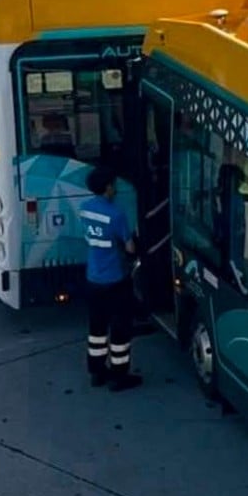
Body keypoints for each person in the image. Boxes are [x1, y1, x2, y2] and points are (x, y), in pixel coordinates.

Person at [79, 166, 144, 391]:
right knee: (120, 330)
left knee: (97, 330)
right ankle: (119, 375)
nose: (115, 189)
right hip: (115, 279)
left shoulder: (84, 208)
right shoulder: (116, 214)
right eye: (113, 185)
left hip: (93, 278)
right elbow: (129, 246)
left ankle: (97, 372)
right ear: (107, 187)